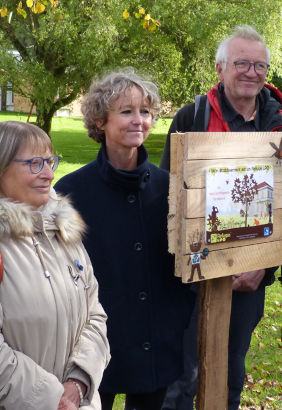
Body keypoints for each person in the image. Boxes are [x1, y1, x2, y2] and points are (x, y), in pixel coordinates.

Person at [159, 26, 282, 410]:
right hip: (191, 278)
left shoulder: (277, 126)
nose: (251, 72)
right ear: (221, 67)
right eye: (242, 63)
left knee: (229, 377)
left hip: (247, 282)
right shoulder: (191, 117)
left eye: (260, 65)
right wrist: (196, 262)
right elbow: (168, 199)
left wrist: (261, 265)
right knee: (181, 380)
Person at [0, 121, 110, 410]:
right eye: (35, 163)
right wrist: (53, 400)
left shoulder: (61, 231)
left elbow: (95, 317)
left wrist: (79, 383)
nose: (50, 174)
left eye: (51, 161)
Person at [55, 69, 196, 410]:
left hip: (158, 339)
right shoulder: (70, 193)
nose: (138, 120)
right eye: (126, 111)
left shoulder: (172, 187)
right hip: (95, 342)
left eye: (145, 112)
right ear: (101, 120)